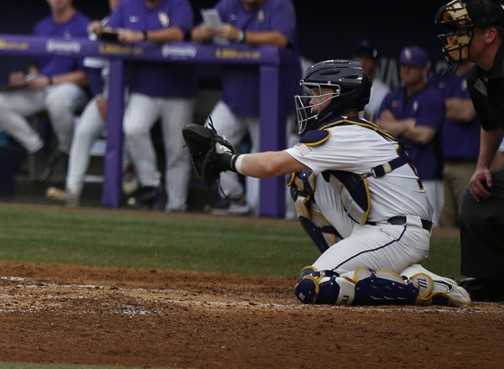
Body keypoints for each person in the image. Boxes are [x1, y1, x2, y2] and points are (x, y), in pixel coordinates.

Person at [192, 59, 469, 307]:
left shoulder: (344, 133)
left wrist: (227, 160)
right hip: (376, 227)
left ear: (340, 96)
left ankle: (414, 290)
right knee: (303, 179)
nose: (311, 101)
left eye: (318, 93)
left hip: (397, 232)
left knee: (313, 286)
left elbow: (272, 165)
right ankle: (414, 276)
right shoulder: (347, 129)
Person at [434, 0, 504, 303]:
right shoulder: (478, 79)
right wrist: (482, 166)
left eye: (463, 30)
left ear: (490, 34)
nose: (454, 38)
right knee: (477, 199)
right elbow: (491, 124)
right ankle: (494, 281)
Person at [190, 0, 300, 215]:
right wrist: (205, 32)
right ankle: (234, 196)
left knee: (269, 179)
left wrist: (240, 35)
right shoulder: (229, 4)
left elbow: (280, 38)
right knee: (206, 140)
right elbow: (195, 35)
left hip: (271, 102)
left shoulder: (280, 3)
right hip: (235, 97)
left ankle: (287, 216)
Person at [0, 0, 90, 184]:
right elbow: (36, 66)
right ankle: (37, 148)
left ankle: (65, 152)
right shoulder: (42, 27)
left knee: (56, 100)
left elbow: (86, 76)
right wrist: (25, 77)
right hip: (43, 87)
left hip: (71, 89)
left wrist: (50, 81)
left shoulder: (83, 26)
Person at [111, 0, 197, 212]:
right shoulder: (129, 3)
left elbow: (180, 33)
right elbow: (113, 27)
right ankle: (151, 185)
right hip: (144, 85)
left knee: (177, 151)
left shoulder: (178, 2)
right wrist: (99, 28)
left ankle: (176, 205)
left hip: (178, 88)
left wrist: (144, 36)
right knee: (133, 128)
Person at [46, 0, 132, 206]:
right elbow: (92, 68)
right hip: (107, 93)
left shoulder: (140, 23)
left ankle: (132, 177)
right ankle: (72, 191)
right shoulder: (102, 25)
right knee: (83, 133)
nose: (118, 0)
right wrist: (99, 97)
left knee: (133, 130)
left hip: (134, 94)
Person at [376, 46, 446, 222]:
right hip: (395, 175)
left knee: (429, 227)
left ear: (424, 70)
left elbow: (424, 135)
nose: (406, 70)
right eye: (403, 65)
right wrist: (409, 123)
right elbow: (379, 128)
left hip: (426, 176)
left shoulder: (433, 97)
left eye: (412, 66)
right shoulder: (393, 95)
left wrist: (394, 125)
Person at [432, 57, 481, 229]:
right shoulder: (441, 77)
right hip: (441, 164)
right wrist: (453, 106)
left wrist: (439, 106)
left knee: (469, 223)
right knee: (444, 227)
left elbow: (468, 112)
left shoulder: (479, 75)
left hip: (468, 164)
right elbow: (427, 107)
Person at [352, 39, 390, 120]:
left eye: (367, 59)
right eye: (359, 58)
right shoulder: (344, 86)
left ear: (375, 64)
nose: (362, 62)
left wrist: (369, 117)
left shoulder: (384, 93)